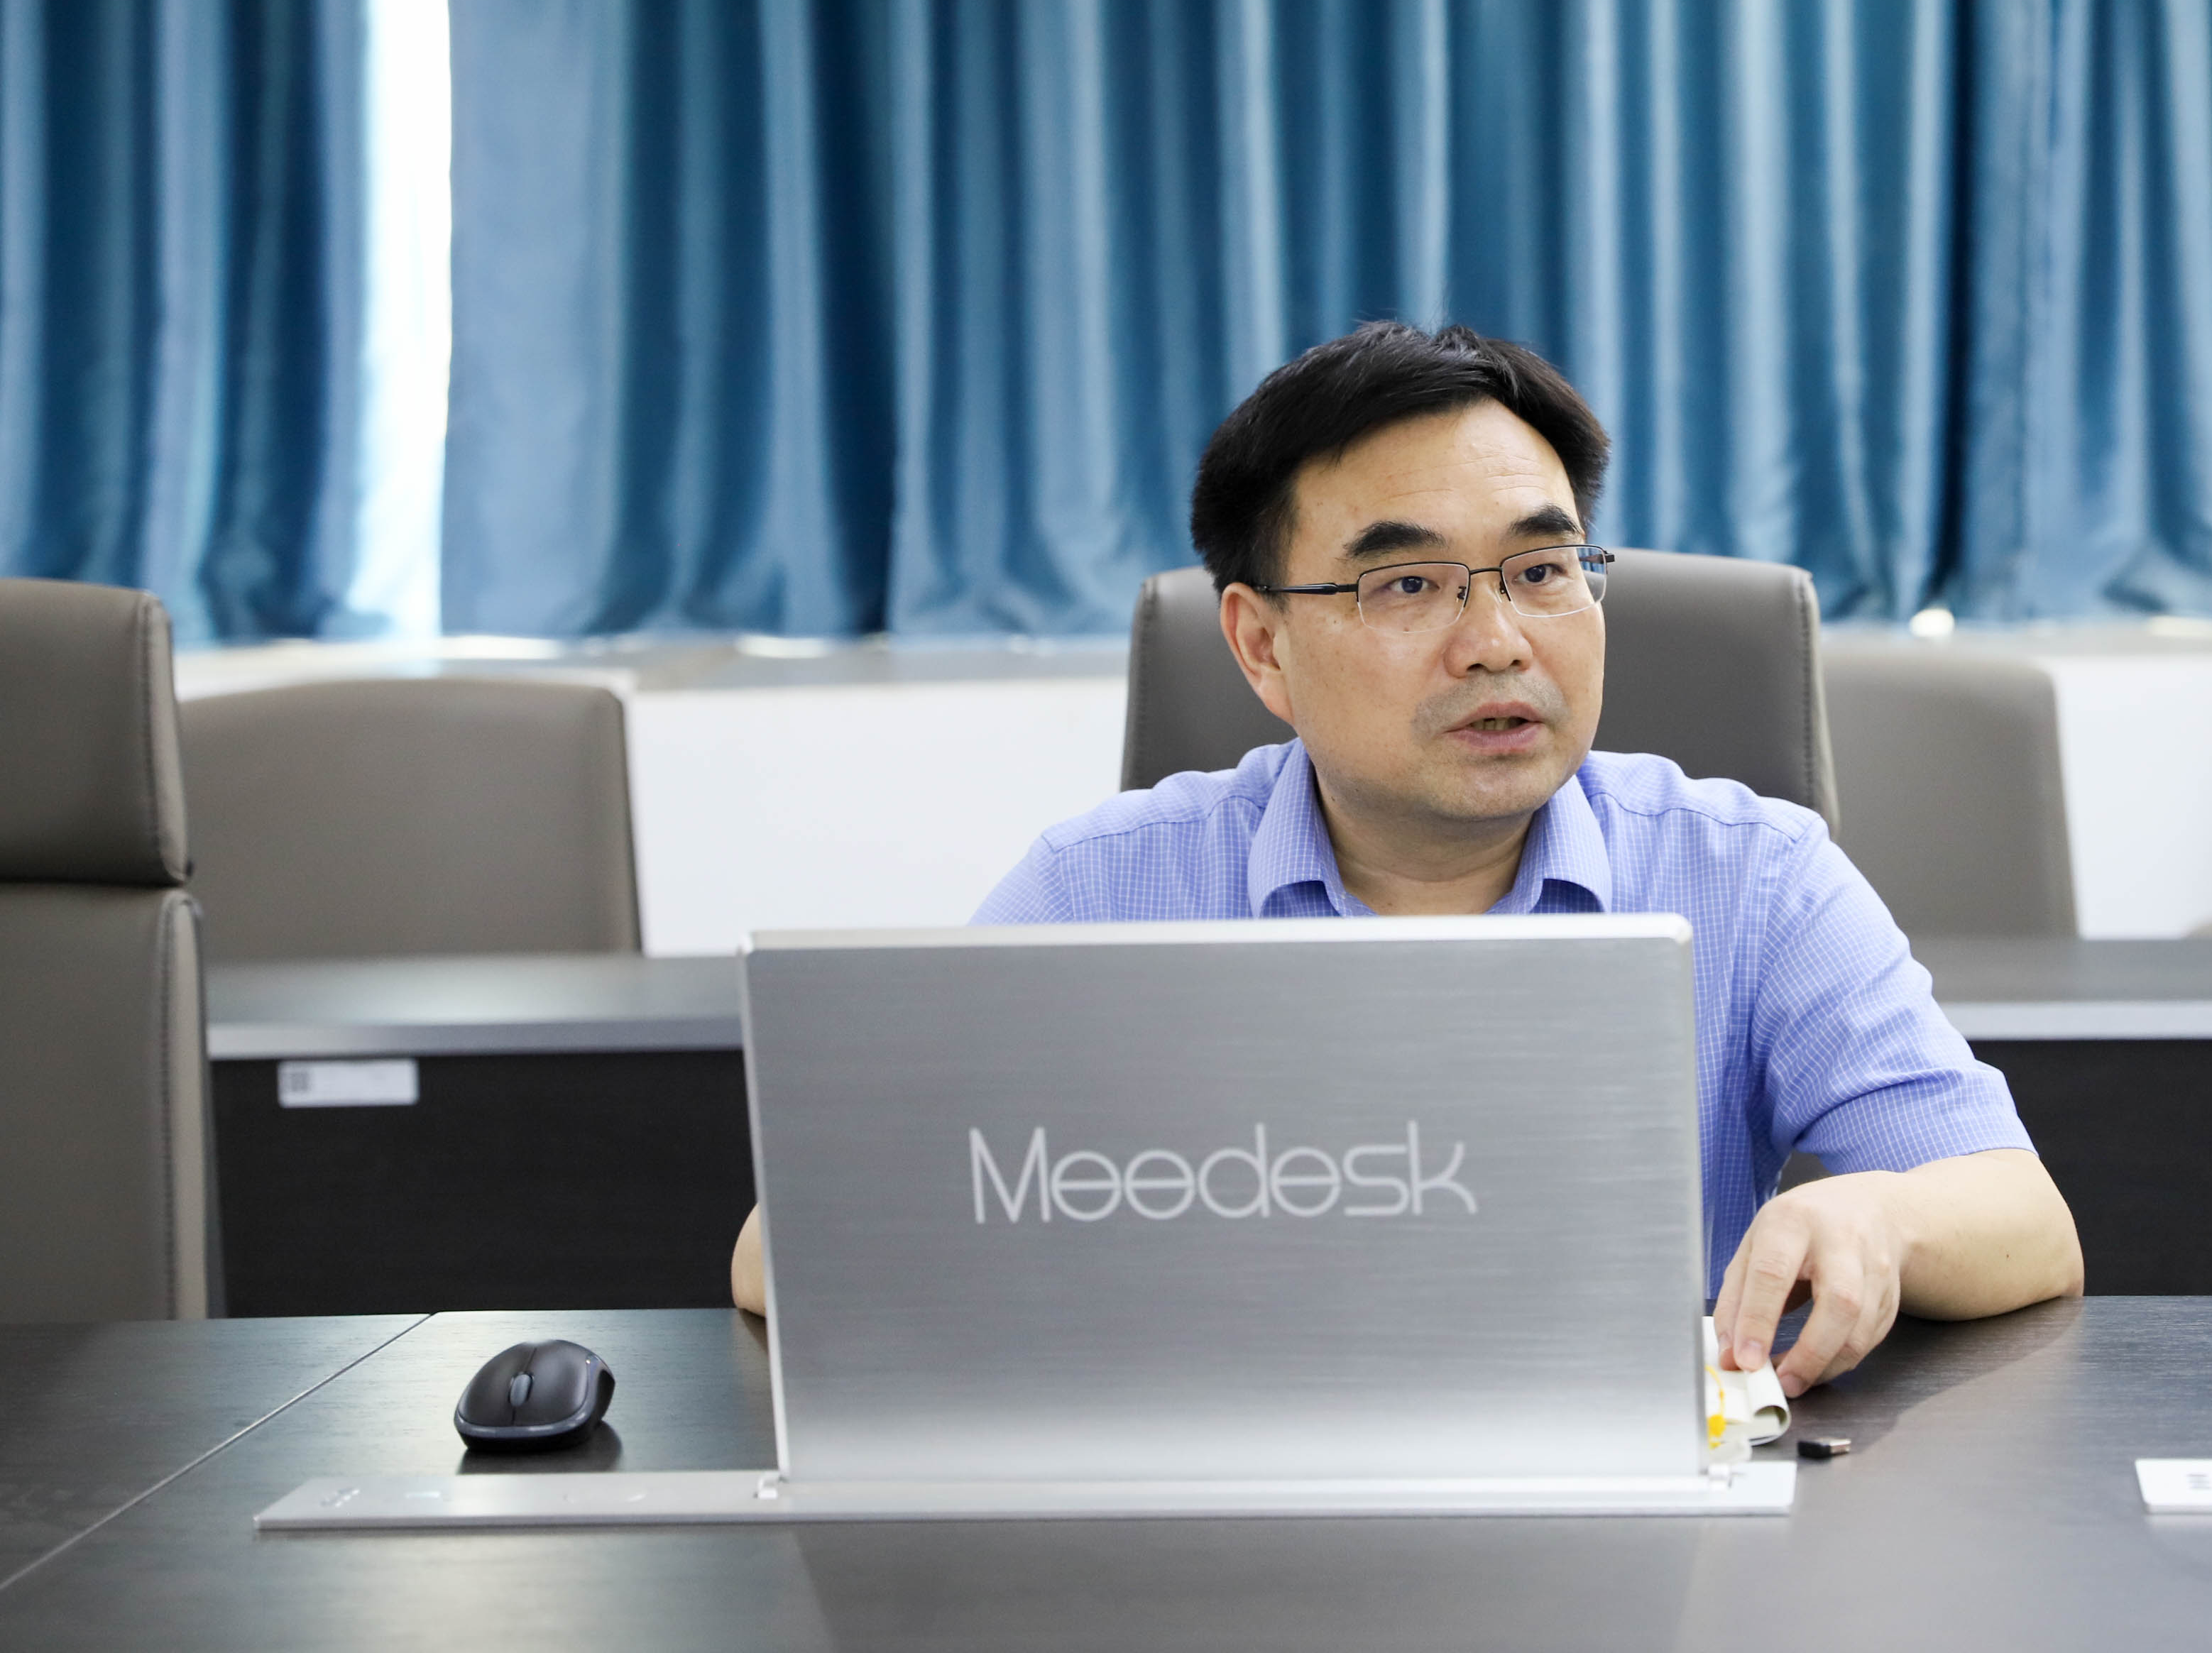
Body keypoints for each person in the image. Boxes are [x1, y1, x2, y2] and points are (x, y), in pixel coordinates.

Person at [733, 321, 2083, 1393]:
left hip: (1641, 1537)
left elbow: (2026, 1219)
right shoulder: (1103, 888)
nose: (1497, 641)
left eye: (1543, 571)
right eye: (1407, 585)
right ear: (1260, 645)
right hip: (1215, 1530)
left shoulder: (1752, 873)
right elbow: (784, 1245)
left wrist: (1884, 1221)